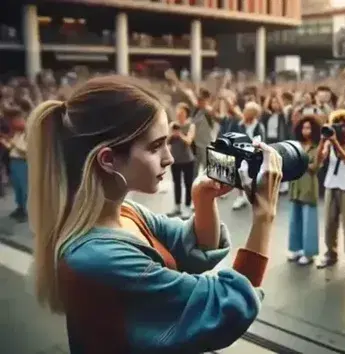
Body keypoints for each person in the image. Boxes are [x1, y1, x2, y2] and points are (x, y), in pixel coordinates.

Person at [26, 76, 283, 353]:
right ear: (108, 159)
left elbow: (192, 248)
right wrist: (265, 216)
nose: (169, 158)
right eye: (155, 146)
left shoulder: (124, 212)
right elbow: (222, 307)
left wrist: (203, 199)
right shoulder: (98, 256)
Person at [315, 109, 345, 275]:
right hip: (332, 184)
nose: (340, 130)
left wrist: (335, 142)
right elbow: (319, 160)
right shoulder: (329, 142)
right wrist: (323, 141)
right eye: (337, 126)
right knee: (329, 223)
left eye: (343, 126)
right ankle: (330, 254)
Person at [288, 115, 321, 266]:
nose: (305, 130)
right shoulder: (297, 145)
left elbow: (314, 167)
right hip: (296, 184)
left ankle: (309, 253)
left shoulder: (317, 147)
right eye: (303, 127)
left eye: (308, 128)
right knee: (295, 218)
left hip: (309, 185)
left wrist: (300, 161)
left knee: (309, 220)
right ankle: (296, 249)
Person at [167, 103, 196, 218]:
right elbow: (166, 141)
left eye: (182, 113)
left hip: (188, 160)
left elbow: (189, 141)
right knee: (176, 183)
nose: (179, 115)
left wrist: (179, 135)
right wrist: (172, 135)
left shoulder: (191, 125)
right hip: (175, 159)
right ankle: (177, 206)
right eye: (178, 113)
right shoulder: (172, 125)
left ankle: (188, 207)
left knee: (188, 184)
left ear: (186, 114)